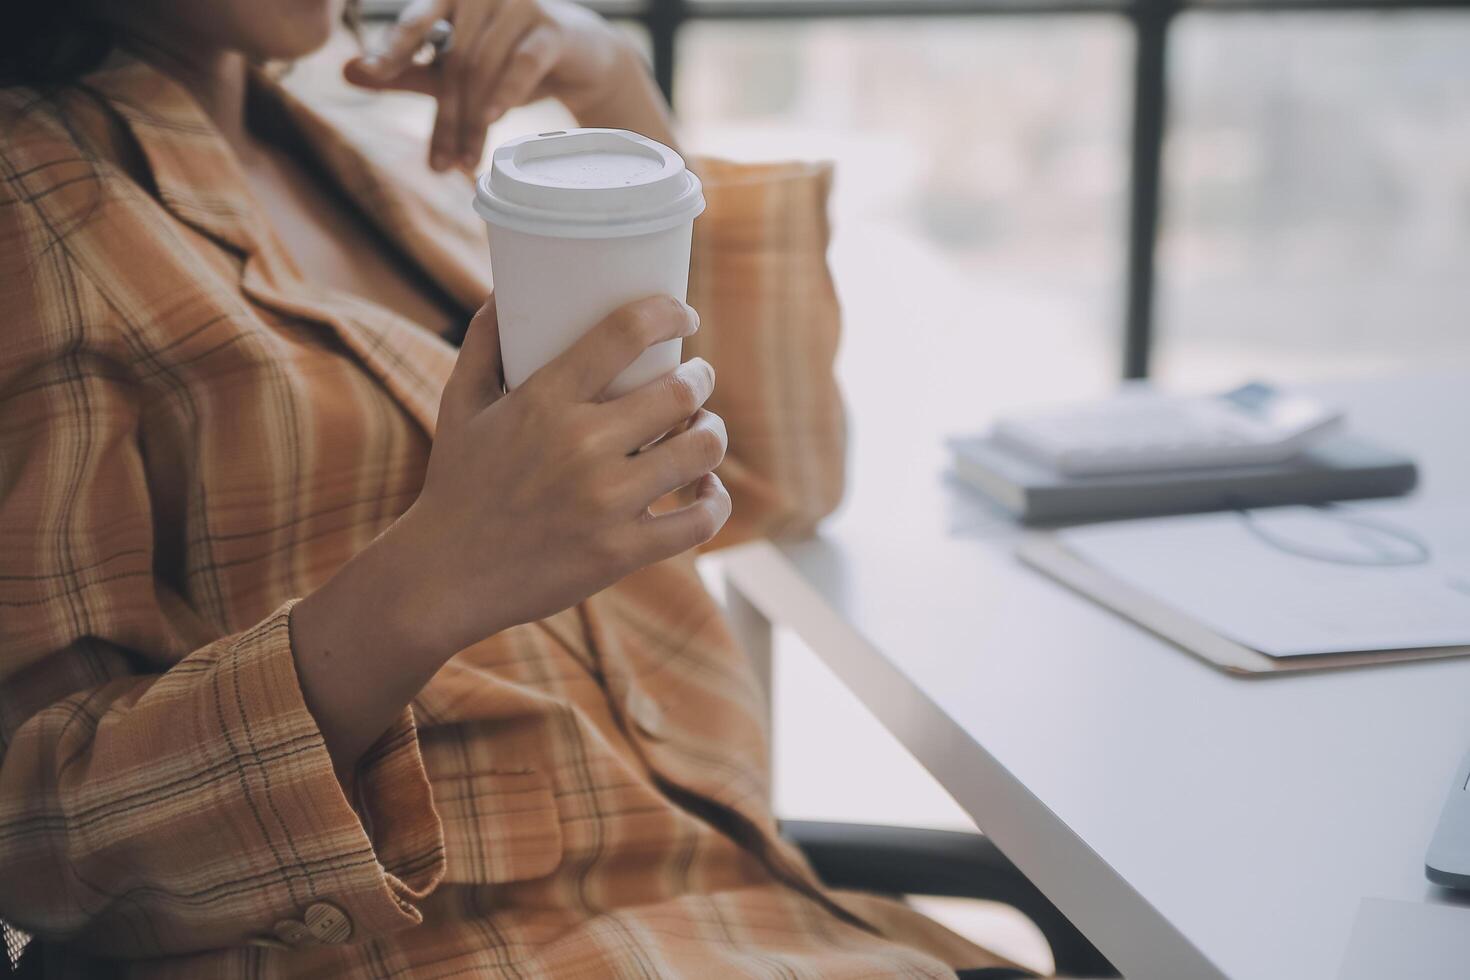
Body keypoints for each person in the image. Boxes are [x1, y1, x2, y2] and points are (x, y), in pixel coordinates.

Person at [0, 1, 1036, 976]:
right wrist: (428, 581)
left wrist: (610, 86)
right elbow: (35, 839)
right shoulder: (30, 212)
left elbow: (767, 477)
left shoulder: (368, 157)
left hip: (748, 916)